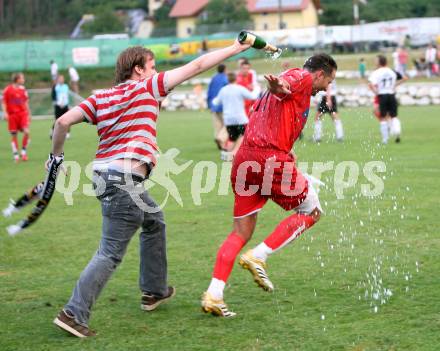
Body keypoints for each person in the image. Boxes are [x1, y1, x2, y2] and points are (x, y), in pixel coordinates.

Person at [50, 41, 251, 337]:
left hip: (105, 176)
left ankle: (154, 290)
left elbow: (63, 121)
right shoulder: (146, 86)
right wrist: (235, 48)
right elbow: (197, 66)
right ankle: (73, 313)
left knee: (154, 220)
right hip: (124, 182)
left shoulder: (101, 96)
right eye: (153, 67)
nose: (157, 72)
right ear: (138, 70)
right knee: (110, 252)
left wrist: (55, 157)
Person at [201, 53, 337, 317]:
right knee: (312, 212)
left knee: (240, 231)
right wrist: (279, 86)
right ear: (319, 74)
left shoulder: (294, 85)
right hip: (269, 159)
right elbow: (286, 84)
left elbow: (275, 106)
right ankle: (259, 255)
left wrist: (288, 147)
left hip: (245, 158)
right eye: (329, 81)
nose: (327, 87)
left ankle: (214, 295)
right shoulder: (302, 78)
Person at [212, 72, 260, 161]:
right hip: (240, 118)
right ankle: (235, 152)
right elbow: (252, 96)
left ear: (227, 80)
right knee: (244, 135)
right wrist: (257, 88)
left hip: (228, 119)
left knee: (232, 138)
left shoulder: (223, 90)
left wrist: (214, 100)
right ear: (236, 79)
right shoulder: (239, 89)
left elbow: (216, 102)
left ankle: (227, 154)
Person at [368, 55, 407, 144]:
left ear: (379, 62)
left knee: (383, 117)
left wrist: (376, 92)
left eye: (376, 61)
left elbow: (370, 84)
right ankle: (397, 132)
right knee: (394, 116)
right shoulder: (392, 71)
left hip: (382, 95)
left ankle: (385, 139)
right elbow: (404, 78)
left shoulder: (377, 72)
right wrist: (393, 86)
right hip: (391, 95)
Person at [2, 73, 31, 162]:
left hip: (22, 114)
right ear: (17, 79)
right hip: (12, 115)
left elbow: (26, 102)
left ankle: (23, 152)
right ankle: (16, 155)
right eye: (22, 78)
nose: (23, 80)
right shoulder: (8, 90)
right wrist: (5, 113)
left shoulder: (23, 89)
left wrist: (29, 113)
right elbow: (4, 102)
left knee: (26, 132)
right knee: (14, 134)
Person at [207, 64, 229, 149]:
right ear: (225, 69)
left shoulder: (213, 78)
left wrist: (209, 104)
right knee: (228, 124)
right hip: (223, 105)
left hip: (213, 105)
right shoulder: (225, 79)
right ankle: (221, 139)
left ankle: (218, 139)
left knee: (217, 125)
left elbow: (209, 91)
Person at [51, 75, 70, 139]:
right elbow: (53, 97)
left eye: (62, 78)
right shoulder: (55, 87)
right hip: (58, 106)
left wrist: (67, 104)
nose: (61, 80)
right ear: (58, 80)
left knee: (67, 119)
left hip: (65, 105)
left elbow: (66, 96)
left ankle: (67, 133)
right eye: (60, 79)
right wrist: (57, 103)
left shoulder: (66, 86)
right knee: (57, 120)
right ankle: (52, 131)